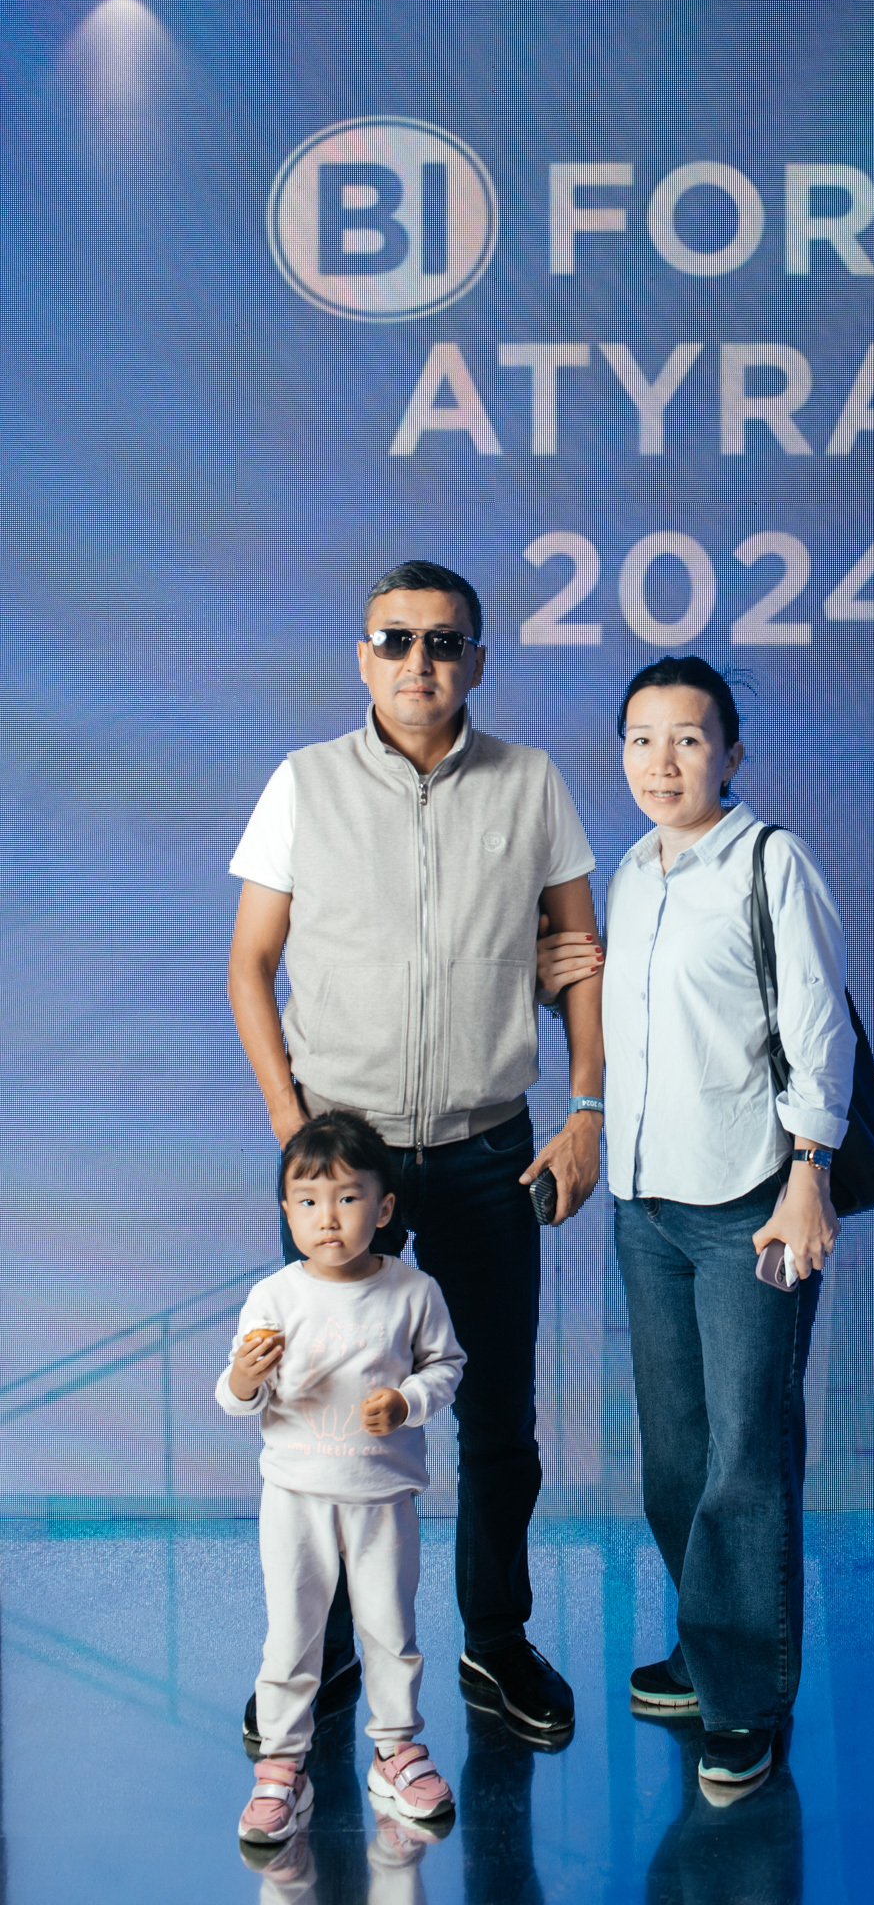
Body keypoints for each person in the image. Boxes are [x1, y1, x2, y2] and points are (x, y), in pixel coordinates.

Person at [227, 559, 603, 1742]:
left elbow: (580, 963)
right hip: (347, 1158)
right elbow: (250, 966)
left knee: (495, 1413)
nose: (418, 662)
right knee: (321, 1405)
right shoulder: (303, 783)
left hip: (491, 1152)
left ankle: (495, 1641)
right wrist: (295, 1134)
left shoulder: (532, 784)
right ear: (363, 656)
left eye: (444, 642)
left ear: (478, 662)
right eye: (395, 640)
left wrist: (586, 1109)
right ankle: (326, 1653)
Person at [539, 654, 857, 1788]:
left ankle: (746, 1700)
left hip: (750, 1209)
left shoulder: (770, 862)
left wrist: (808, 1175)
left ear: (731, 753)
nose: (661, 761)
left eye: (686, 738)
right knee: (674, 1461)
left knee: (745, 1459)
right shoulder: (631, 872)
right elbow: (641, 1022)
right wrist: (559, 984)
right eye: (641, 739)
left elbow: (818, 1028)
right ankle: (707, 1645)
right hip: (647, 1207)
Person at [218, 1111, 467, 1845]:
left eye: (347, 1198)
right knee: (292, 1636)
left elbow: (446, 1367)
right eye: (308, 1201)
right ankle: (281, 1764)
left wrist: (407, 1402)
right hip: (294, 1498)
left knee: (390, 1631)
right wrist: (244, 1377)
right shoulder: (275, 1297)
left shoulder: (412, 1292)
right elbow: (235, 1397)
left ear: (384, 1209)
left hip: (382, 1497)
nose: (327, 1217)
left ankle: (396, 1752)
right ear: (287, 1211)